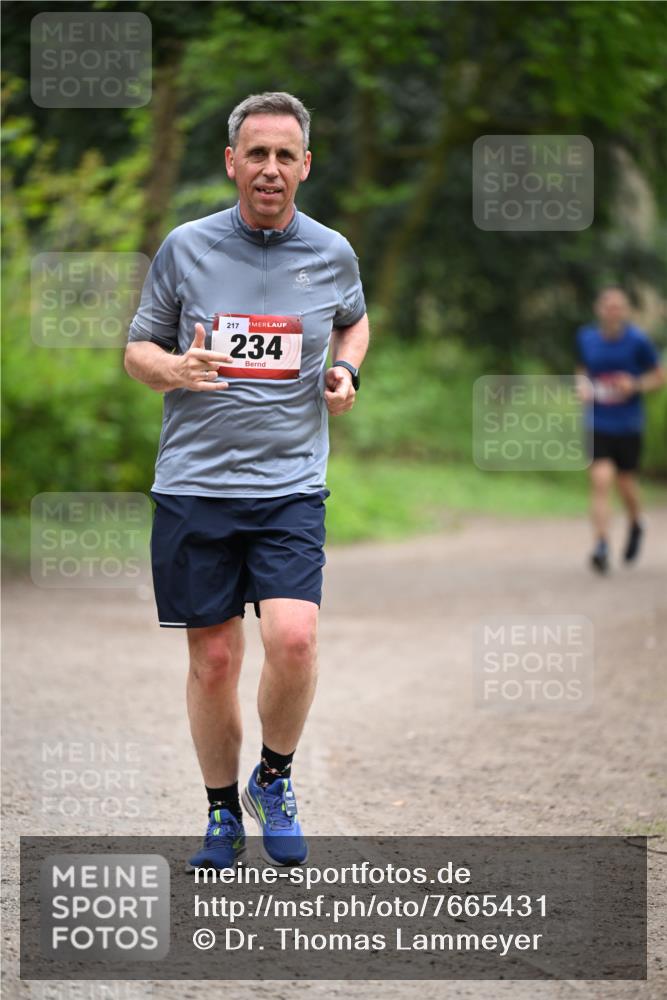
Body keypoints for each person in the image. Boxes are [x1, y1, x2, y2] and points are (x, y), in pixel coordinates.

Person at [124, 92, 369, 869]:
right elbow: (137, 351)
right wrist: (174, 367)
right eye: (255, 153)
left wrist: (343, 367)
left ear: (305, 165)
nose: (270, 168)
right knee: (216, 660)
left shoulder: (331, 252)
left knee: (293, 639)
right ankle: (221, 811)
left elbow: (353, 319)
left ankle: (275, 777)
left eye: (284, 155)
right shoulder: (185, 248)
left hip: (290, 485)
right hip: (195, 484)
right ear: (231, 162)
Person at [575, 287, 664, 574]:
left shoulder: (637, 341)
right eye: (607, 306)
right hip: (597, 421)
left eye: (618, 307)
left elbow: (659, 376)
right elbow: (581, 369)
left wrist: (635, 385)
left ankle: (636, 522)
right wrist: (581, 385)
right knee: (600, 480)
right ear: (598, 309)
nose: (612, 311)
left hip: (627, 423)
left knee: (626, 485)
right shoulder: (586, 337)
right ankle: (601, 545)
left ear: (625, 311)